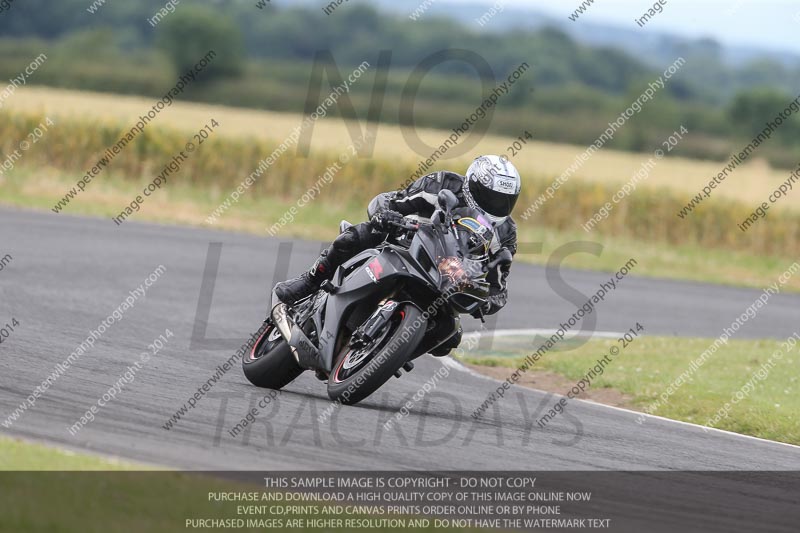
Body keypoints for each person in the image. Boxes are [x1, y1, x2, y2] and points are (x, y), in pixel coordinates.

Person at [274, 155, 521, 353]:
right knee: (355, 237)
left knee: (448, 335)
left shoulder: (506, 232)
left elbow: (499, 284)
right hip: (406, 241)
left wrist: (487, 301)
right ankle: (310, 281)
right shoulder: (442, 183)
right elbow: (390, 200)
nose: (497, 205)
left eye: (505, 200)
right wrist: (389, 215)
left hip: (447, 277)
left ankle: (388, 351)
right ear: (473, 185)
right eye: (492, 197)